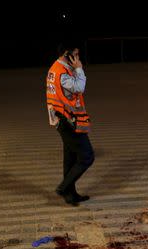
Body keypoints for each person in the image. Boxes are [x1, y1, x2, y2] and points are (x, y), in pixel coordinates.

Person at [46, 43, 94, 206]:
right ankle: (63, 187)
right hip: (68, 120)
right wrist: (79, 69)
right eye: (76, 54)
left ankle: (70, 194)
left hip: (61, 119)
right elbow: (79, 87)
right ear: (67, 54)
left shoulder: (57, 67)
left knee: (70, 158)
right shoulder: (61, 72)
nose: (79, 58)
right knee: (87, 157)